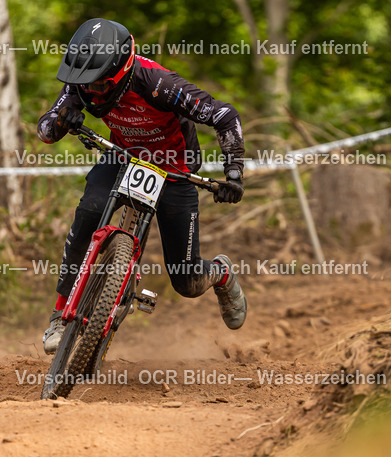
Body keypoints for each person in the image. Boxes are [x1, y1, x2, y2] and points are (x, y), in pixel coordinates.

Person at [37, 18, 247, 354]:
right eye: (85, 86)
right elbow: (47, 130)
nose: (90, 93)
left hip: (174, 169)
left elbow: (224, 115)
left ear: (120, 75)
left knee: (187, 281)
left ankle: (220, 274)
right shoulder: (84, 82)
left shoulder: (157, 83)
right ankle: (60, 315)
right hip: (123, 157)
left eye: (100, 86)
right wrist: (63, 120)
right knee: (89, 212)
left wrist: (234, 172)